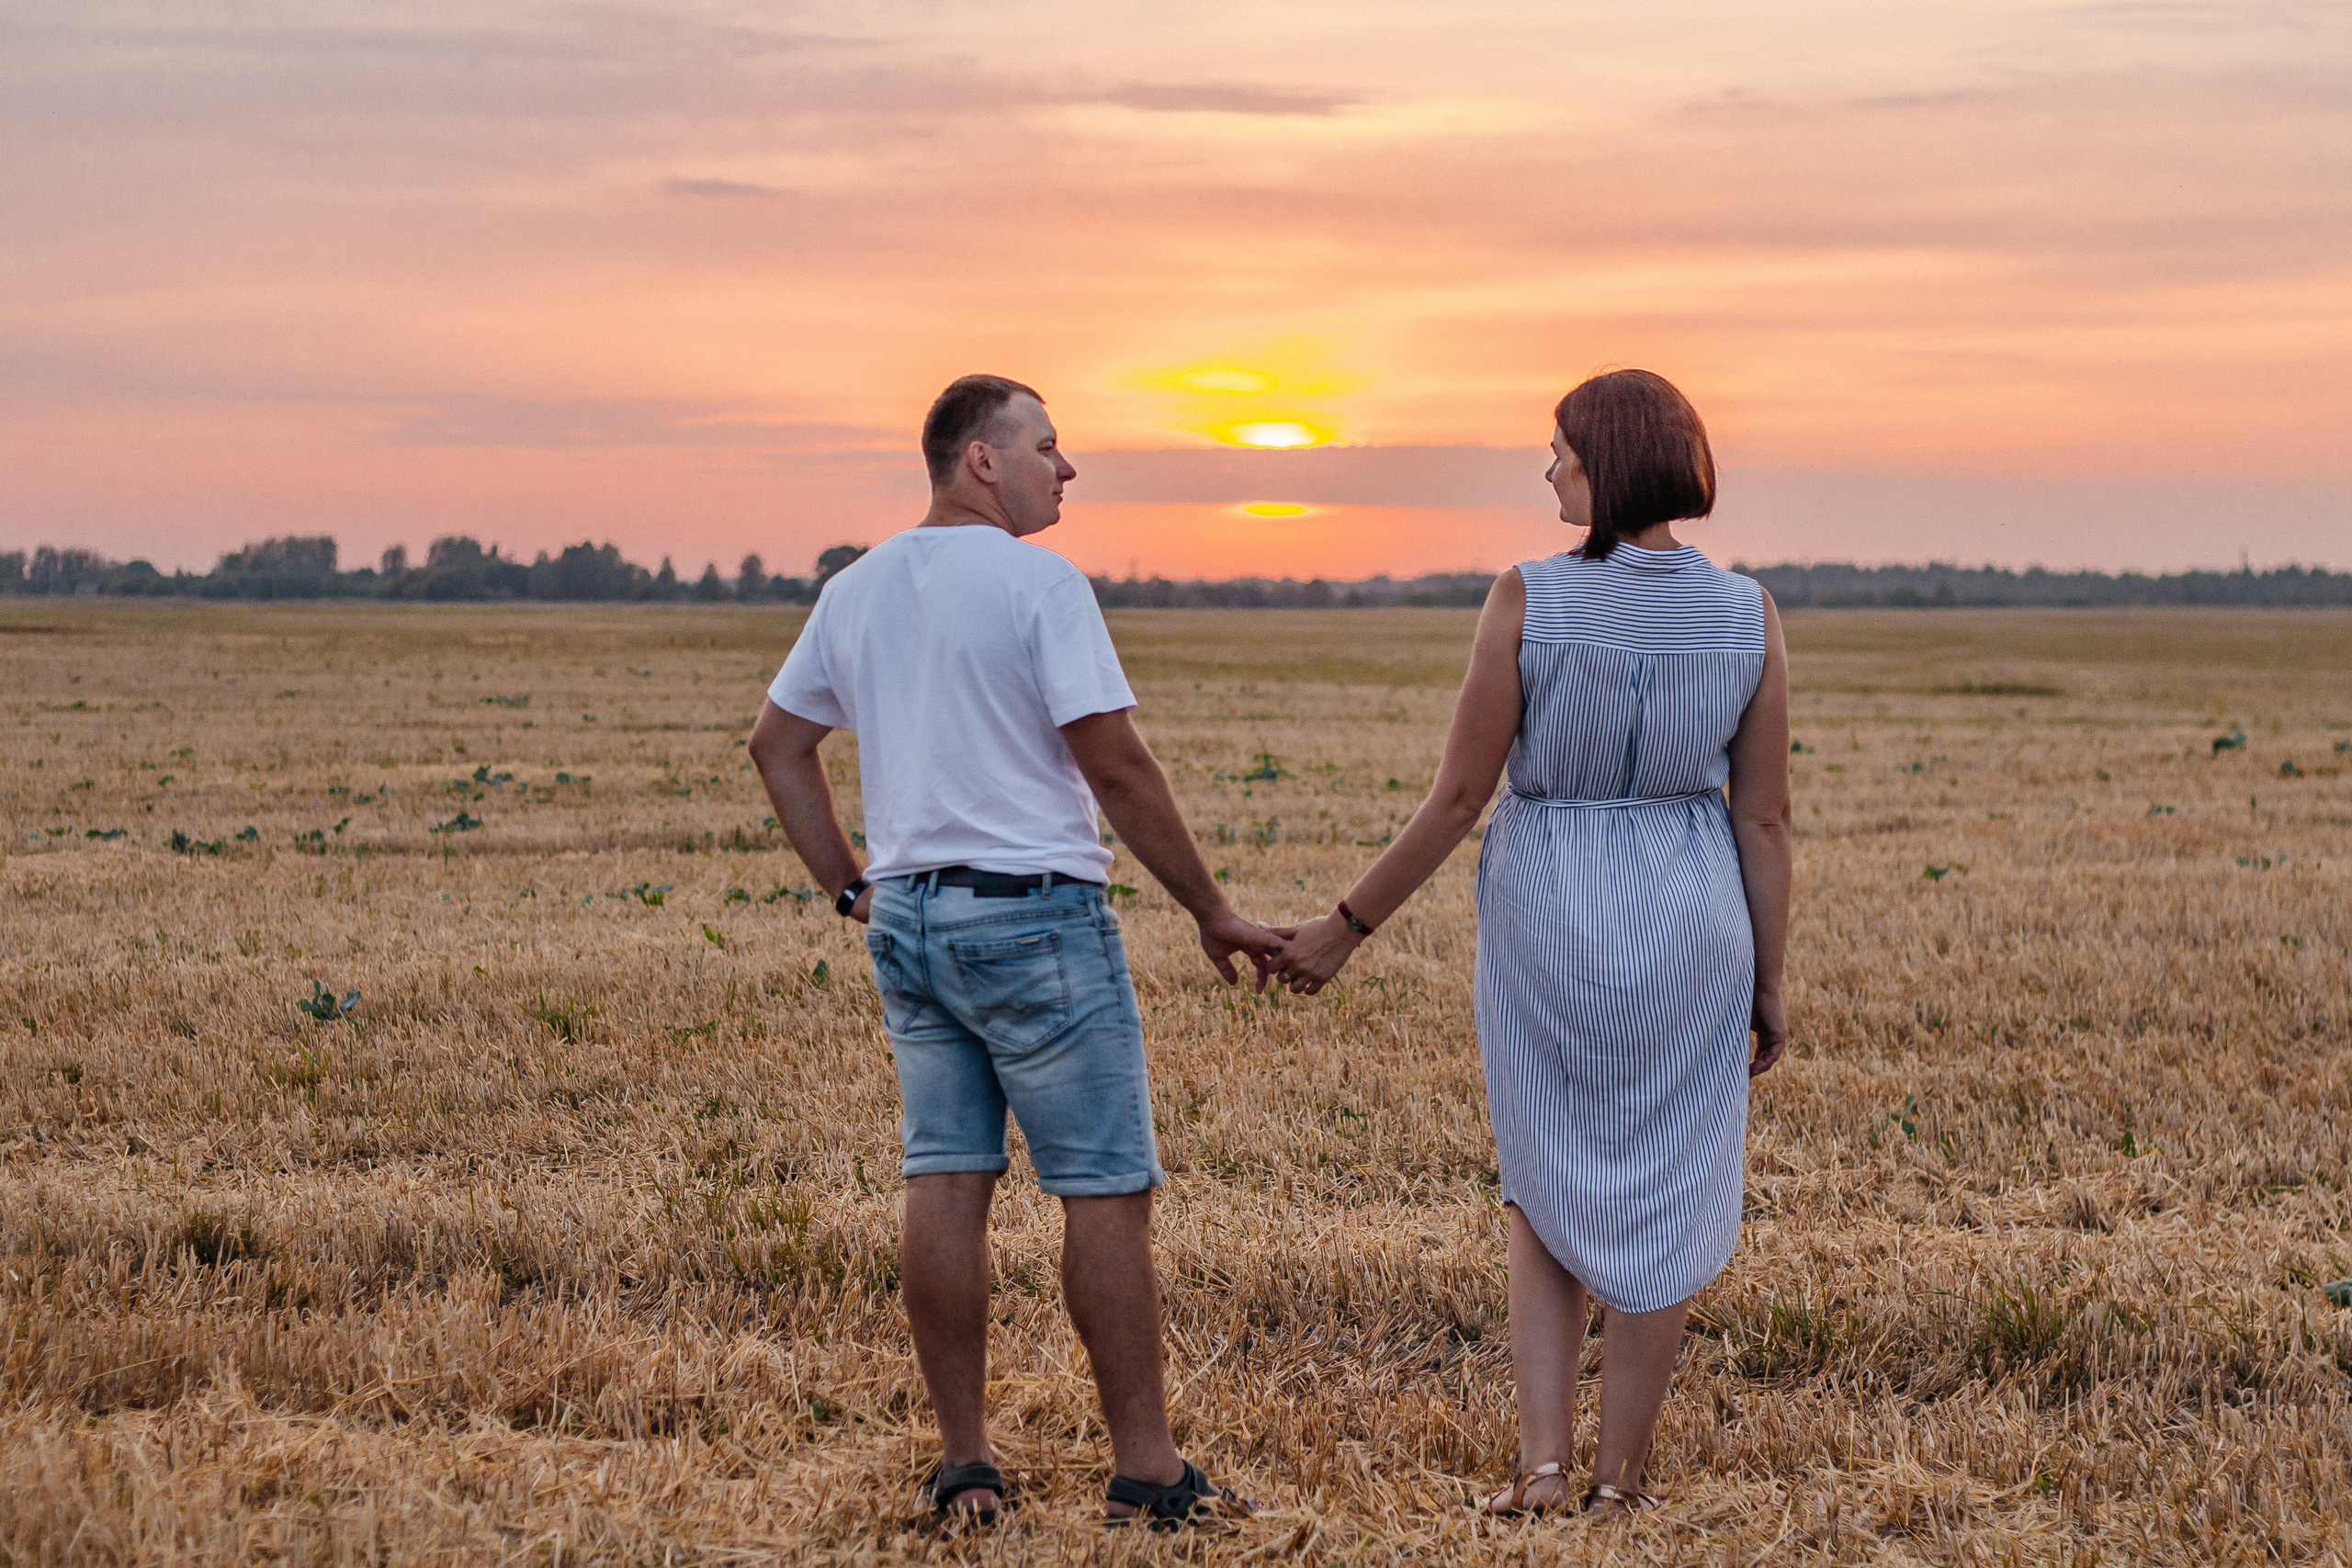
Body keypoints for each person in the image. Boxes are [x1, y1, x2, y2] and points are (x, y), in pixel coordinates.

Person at [747, 374, 1276, 1529]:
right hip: (1033, 918)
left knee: (945, 1180)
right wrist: (1209, 906)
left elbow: (778, 746)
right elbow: (1117, 764)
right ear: (982, 459)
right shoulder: (1041, 581)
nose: (1065, 466)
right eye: (1048, 445)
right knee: (1104, 1191)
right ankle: (1146, 1474)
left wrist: (853, 890)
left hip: (912, 922)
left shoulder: (857, 587)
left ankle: (965, 1465)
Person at [1269, 368, 1792, 1519]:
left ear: (1604, 464)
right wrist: (1768, 978)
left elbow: (1459, 798)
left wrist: (1345, 928)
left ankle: (1543, 1469)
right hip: (1694, 911)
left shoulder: (1528, 596)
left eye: (1558, 449)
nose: (1547, 467)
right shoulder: (1746, 612)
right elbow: (1761, 815)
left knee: (1542, 1181)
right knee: (1671, 1182)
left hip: (1550, 910)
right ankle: (1619, 1484)